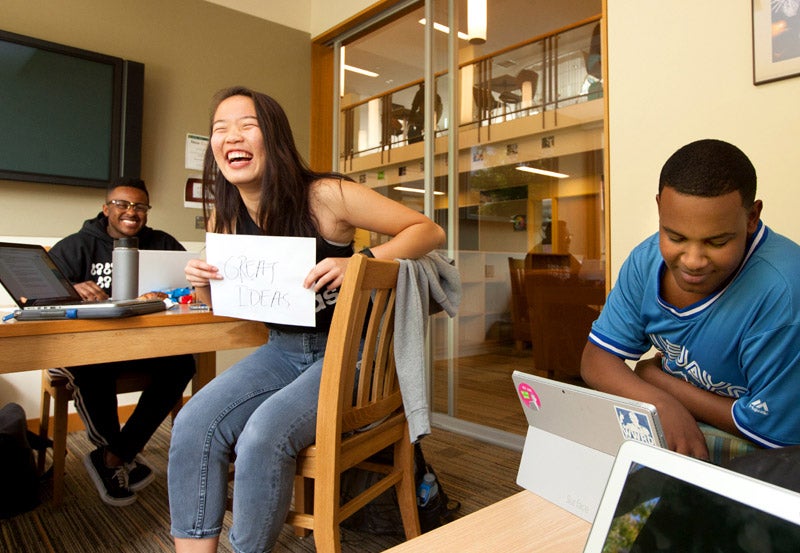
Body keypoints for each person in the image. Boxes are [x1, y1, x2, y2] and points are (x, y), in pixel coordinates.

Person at [168, 86, 445, 553]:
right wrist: (201, 281)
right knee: (193, 423)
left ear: (273, 137)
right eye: (220, 129)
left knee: (263, 436)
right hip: (281, 351)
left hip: (350, 354)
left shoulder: (326, 195)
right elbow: (235, 302)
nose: (231, 136)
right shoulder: (226, 217)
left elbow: (427, 230)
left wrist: (361, 261)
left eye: (246, 125)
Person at [581, 139, 800, 462]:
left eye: (717, 241)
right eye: (676, 237)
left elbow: (773, 432)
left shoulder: (784, 290)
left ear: (752, 217)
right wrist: (661, 402)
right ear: (659, 208)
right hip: (685, 437)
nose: (693, 260)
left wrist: (657, 380)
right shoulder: (645, 261)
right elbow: (596, 359)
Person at [48, 177, 196, 506]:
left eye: (140, 206)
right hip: (86, 348)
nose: (132, 211)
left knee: (183, 363)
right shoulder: (76, 246)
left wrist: (168, 294)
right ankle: (118, 454)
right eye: (122, 204)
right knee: (92, 368)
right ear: (106, 209)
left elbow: (190, 286)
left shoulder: (162, 243)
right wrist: (71, 289)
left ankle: (115, 455)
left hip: (142, 344)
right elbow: (38, 294)